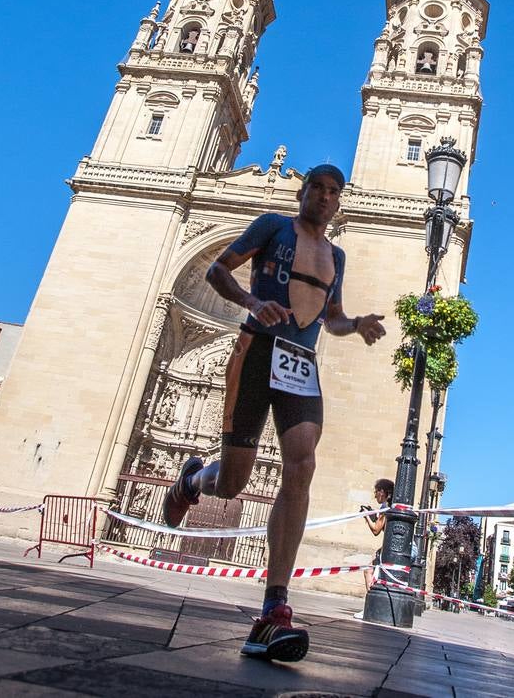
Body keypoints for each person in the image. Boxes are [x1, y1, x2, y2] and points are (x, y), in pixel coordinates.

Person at [163, 164, 386, 662]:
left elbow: (331, 320)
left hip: (299, 366)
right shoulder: (271, 226)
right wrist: (251, 300)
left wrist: (358, 324)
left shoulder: (338, 256)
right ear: (303, 192)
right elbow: (218, 269)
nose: (326, 198)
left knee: (302, 466)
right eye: (318, 188)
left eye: (335, 192)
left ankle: (275, 606)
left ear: (338, 201)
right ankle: (192, 480)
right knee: (233, 483)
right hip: (256, 350)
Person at [361, 478, 394, 592]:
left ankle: (372, 600)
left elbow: (376, 530)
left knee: (368, 570)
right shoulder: (391, 506)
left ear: (382, 492)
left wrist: (366, 516)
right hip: (394, 547)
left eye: (376, 492)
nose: (375, 496)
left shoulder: (385, 508)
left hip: (392, 548)